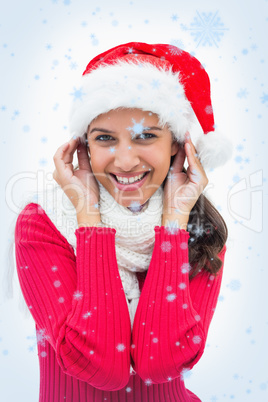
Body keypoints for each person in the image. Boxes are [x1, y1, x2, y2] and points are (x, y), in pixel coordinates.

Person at [12, 42, 233, 401]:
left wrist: (173, 223)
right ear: (82, 147)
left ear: (178, 146)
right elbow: (102, 367)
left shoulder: (201, 232)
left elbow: (160, 363)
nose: (126, 161)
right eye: (105, 138)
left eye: (146, 136)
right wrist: (89, 218)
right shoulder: (43, 223)